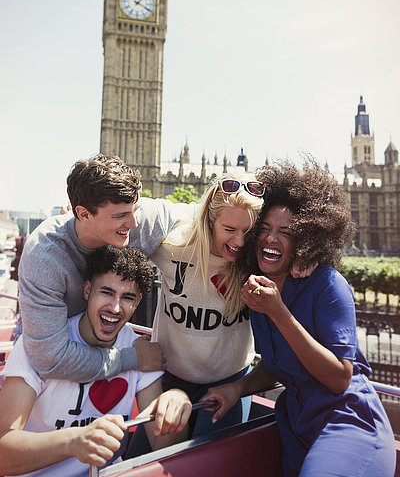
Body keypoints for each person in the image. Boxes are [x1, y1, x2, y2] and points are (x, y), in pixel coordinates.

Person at [201, 160, 396, 477]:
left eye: (285, 232)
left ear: (307, 239)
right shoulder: (258, 288)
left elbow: (339, 378)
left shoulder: (327, 285)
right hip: (298, 426)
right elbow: (279, 362)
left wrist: (279, 312)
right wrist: (237, 389)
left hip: (349, 423)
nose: (270, 239)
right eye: (263, 229)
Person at [127, 175, 313, 456]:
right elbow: (117, 227)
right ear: (210, 221)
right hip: (170, 381)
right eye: (229, 229)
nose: (239, 241)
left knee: (209, 462)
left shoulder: (257, 260)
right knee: (139, 463)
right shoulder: (172, 246)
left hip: (230, 384)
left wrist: (306, 253)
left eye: (248, 232)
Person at [0, 245, 192, 477]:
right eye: (107, 293)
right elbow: (3, 452)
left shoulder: (139, 349)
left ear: (139, 301)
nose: (115, 308)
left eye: (127, 297)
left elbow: (165, 446)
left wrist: (176, 402)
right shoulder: (40, 344)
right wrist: (74, 442)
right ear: (87, 290)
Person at [18, 154, 195, 383]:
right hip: (46, 373)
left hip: (104, 353)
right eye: (120, 216)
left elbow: (208, 214)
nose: (133, 223)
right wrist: (130, 358)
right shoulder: (45, 255)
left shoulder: (139, 219)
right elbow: (50, 359)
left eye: (135, 209)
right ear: (83, 213)